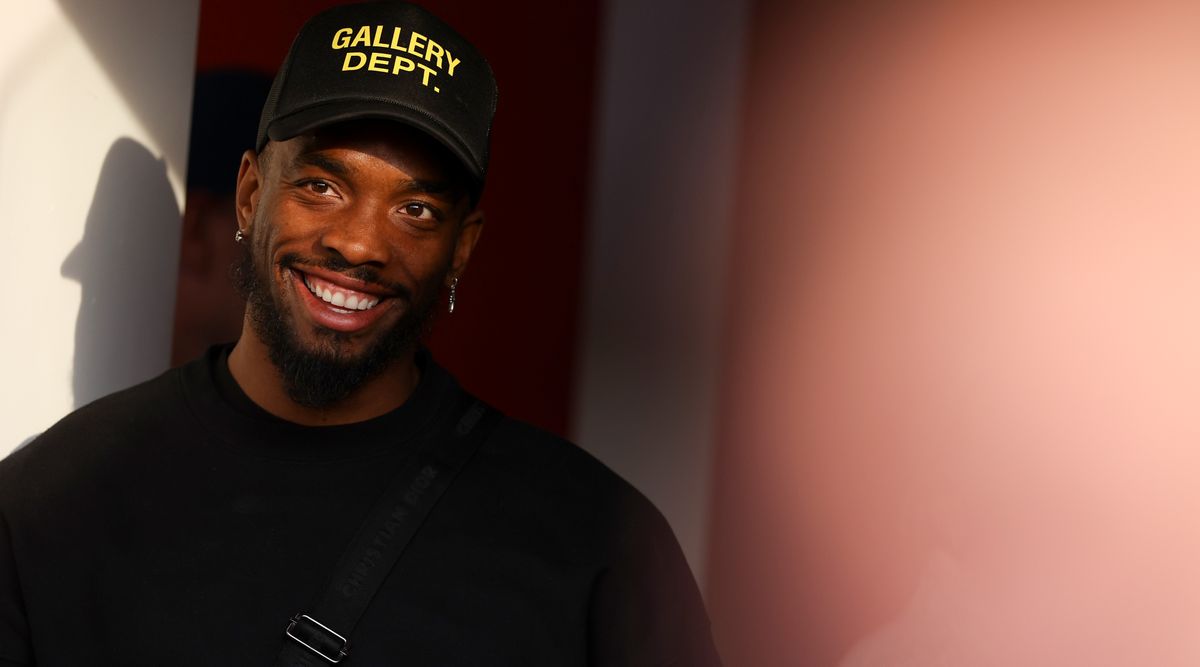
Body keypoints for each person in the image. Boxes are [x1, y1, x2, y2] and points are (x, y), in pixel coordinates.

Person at [0, 2, 721, 665]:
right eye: (321, 186)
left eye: (415, 210)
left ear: (462, 249)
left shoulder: (600, 548)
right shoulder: (55, 502)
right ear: (252, 193)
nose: (358, 243)